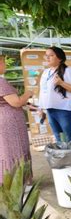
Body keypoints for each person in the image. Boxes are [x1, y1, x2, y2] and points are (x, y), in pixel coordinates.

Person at [0, 55, 34, 184]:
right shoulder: (1, 82)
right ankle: (17, 181)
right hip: (10, 122)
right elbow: (16, 102)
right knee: (14, 149)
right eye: (3, 62)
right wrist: (28, 94)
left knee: (5, 150)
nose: (5, 65)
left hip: (4, 118)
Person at [39, 46, 71, 142]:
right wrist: (41, 108)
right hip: (50, 110)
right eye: (46, 55)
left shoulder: (68, 71)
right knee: (59, 138)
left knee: (70, 139)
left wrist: (61, 83)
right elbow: (43, 91)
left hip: (65, 110)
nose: (47, 58)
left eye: (51, 55)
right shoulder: (46, 72)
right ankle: (64, 157)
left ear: (60, 58)